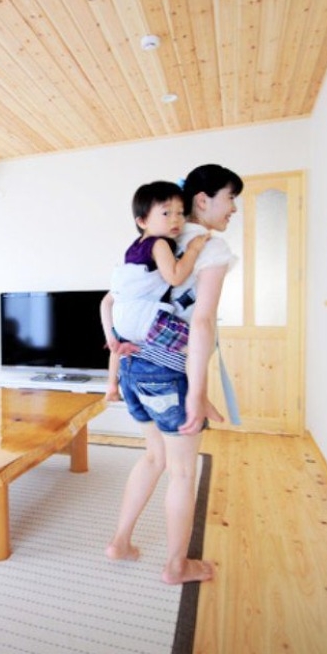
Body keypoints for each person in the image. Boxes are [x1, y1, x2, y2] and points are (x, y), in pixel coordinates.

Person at [104, 163, 243, 585]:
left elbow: (111, 301)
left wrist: (114, 361)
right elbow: (201, 323)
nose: (233, 208)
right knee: (182, 471)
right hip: (168, 371)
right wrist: (196, 392)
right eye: (230, 198)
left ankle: (120, 543)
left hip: (133, 367)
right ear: (203, 199)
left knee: (154, 457)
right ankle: (177, 566)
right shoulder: (210, 248)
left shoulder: (156, 240)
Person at [102, 181, 209, 402]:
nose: (176, 219)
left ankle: (112, 386)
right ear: (142, 221)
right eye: (166, 213)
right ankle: (199, 398)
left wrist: (110, 335)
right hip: (147, 320)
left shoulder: (132, 251)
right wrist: (193, 249)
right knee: (198, 345)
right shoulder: (159, 244)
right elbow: (175, 276)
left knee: (120, 349)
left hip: (123, 320)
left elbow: (106, 301)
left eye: (180, 213)